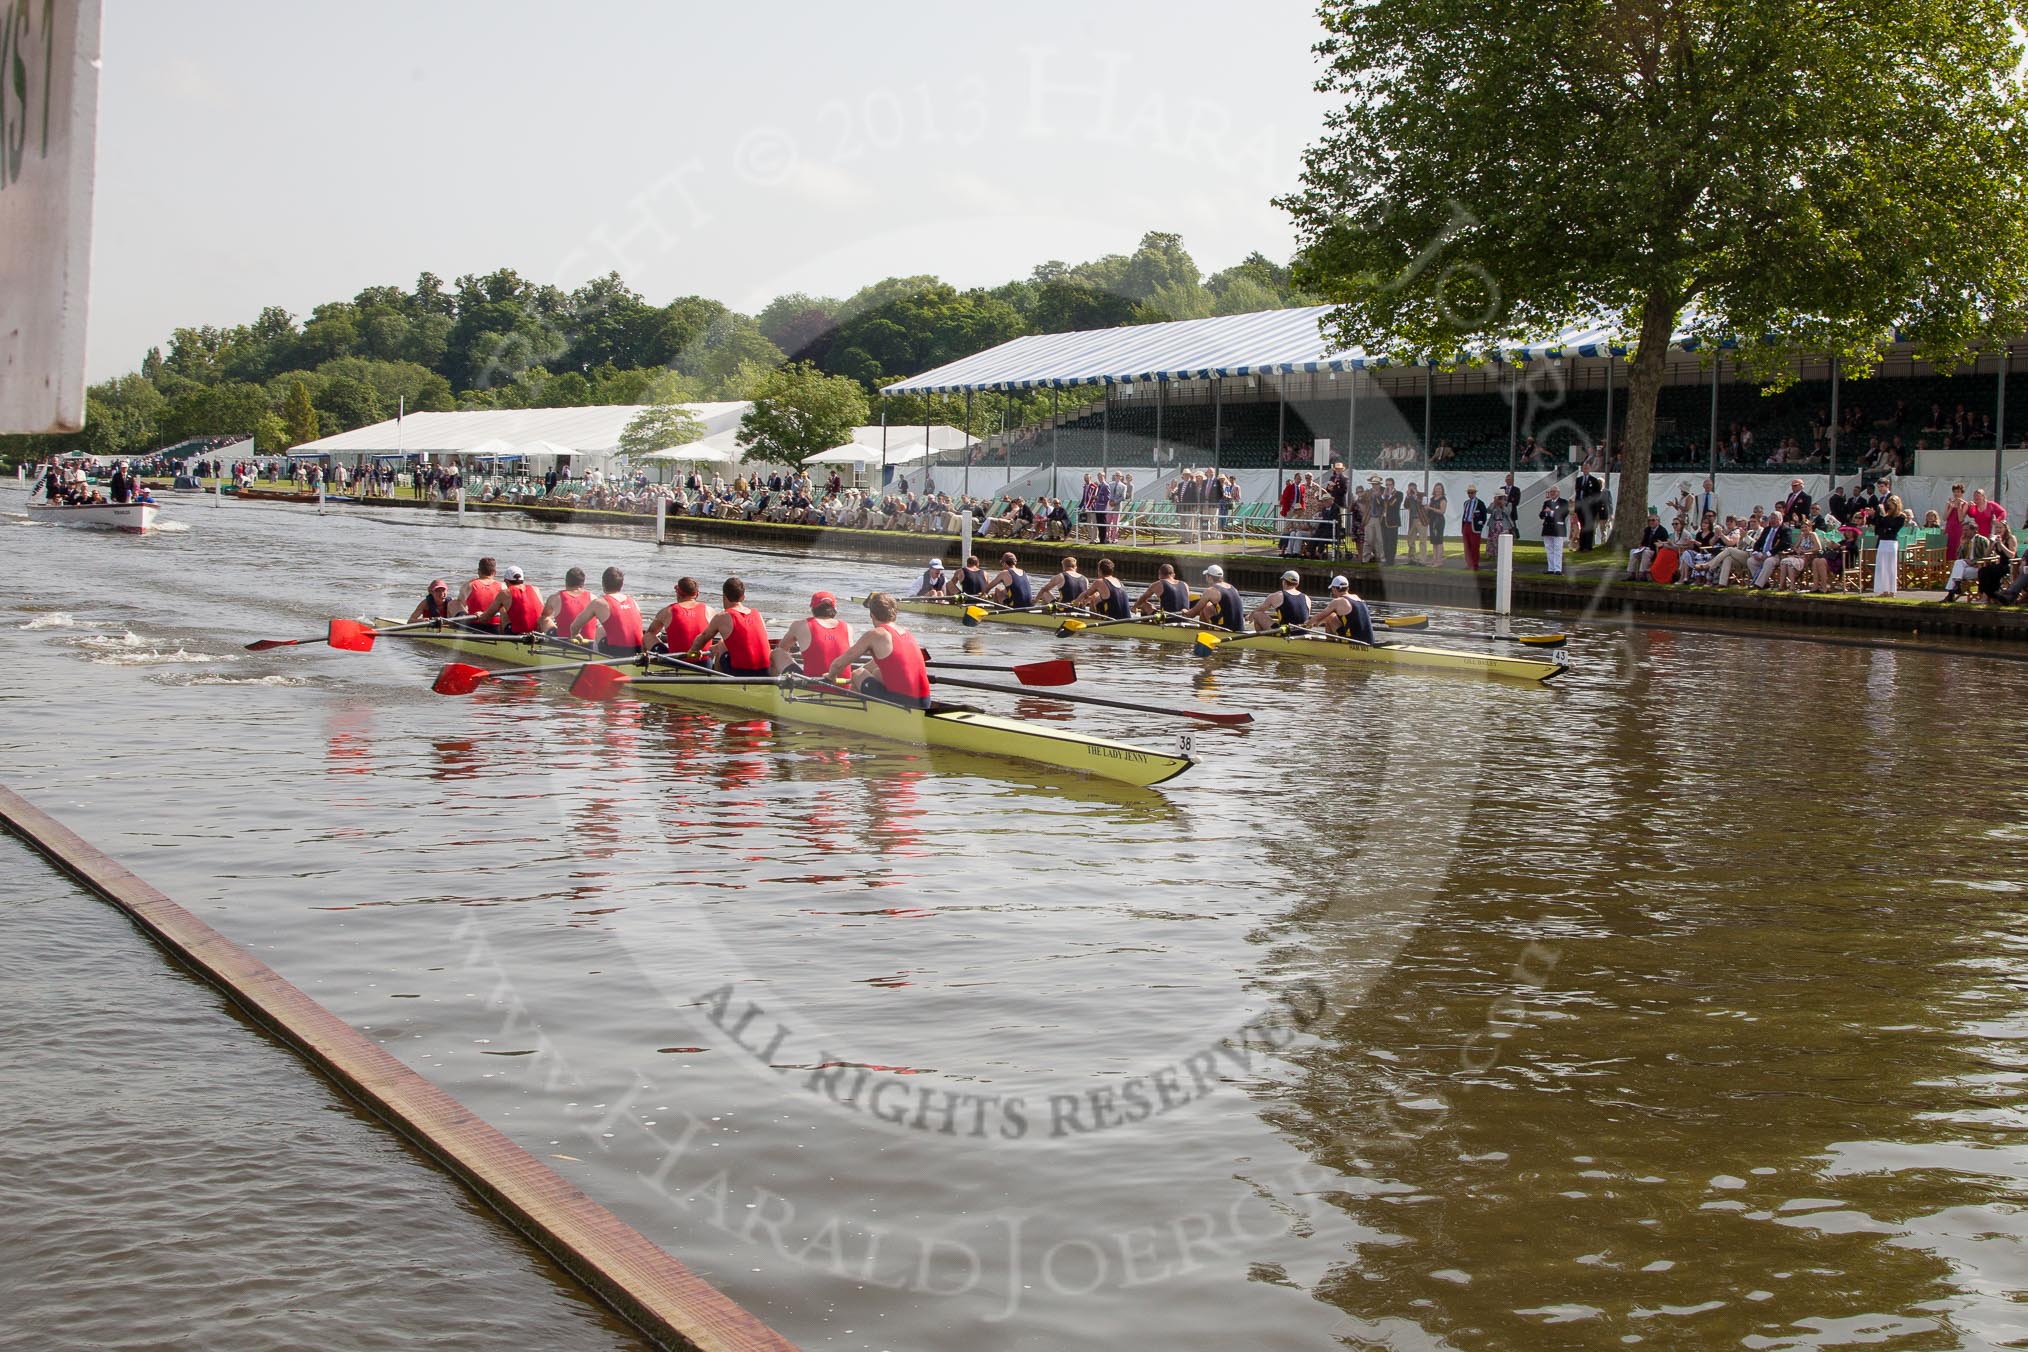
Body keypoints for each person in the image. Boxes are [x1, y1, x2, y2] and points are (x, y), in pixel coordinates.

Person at [829, 593, 933, 709]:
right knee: (877, 672)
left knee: (857, 674)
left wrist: (831, 677)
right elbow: (875, 665)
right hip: (924, 702)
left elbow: (838, 664)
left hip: (904, 702)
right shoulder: (907, 633)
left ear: (872, 615)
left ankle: (851, 713)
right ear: (894, 613)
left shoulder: (875, 634)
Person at [680, 577, 770, 676]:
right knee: (722, 643)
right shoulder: (757, 614)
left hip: (741, 673)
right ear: (743, 597)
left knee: (720, 649)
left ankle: (717, 683)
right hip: (765, 672)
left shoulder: (722, 617)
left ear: (724, 597)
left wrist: (693, 652)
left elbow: (702, 638)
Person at [567, 566, 645, 658]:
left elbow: (574, 626)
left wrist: (575, 637)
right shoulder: (633, 601)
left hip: (616, 651)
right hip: (638, 650)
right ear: (621, 584)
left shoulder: (599, 603)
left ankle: (595, 661)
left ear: (603, 584)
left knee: (599, 631)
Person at [774, 591, 854, 677]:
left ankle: (773, 683)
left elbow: (783, 648)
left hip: (812, 685)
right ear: (834, 609)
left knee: (777, 653)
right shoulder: (848, 628)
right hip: (842, 685)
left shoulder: (800, 625)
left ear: (813, 608)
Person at [642, 576, 711, 655]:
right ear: (697, 594)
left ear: (678, 593)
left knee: (647, 636)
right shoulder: (709, 610)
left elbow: (651, 632)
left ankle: (643, 660)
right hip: (703, 661)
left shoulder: (667, 611)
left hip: (676, 660)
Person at [476, 565, 544, 635]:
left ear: (506, 581)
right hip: (537, 632)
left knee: (502, 609)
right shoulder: (536, 589)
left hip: (516, 633)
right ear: (522, 580)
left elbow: (485, 619)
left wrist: (480, 615)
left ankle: (502, 640)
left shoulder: (504, 593)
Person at [1312, 576, 1376, 644]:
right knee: (1331, 616)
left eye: (1332, 589)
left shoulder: (1338, 601)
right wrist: (1319, 621)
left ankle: (1330, 646)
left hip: (1354, 642)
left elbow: (1319, 616)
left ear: (1334, 588)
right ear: (1347, 588)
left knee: (1328, 617)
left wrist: (1307, 624)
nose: (1332, 591)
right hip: (1369, 641)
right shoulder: (1356, 597)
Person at [1068, 558, 1133, 619]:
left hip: (1112, 620)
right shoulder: (1118, 581)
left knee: (1093, 598)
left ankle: (1092, 621)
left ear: (1099, 570)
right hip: (1127, 618)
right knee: (1094, 597)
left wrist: (1074, 603)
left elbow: (1086, 594)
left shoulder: (1099, 582)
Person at [1188, 564, 1246, 633]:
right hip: (1240, 627)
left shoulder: (1211, 591)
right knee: (1208, 606)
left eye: (1206, 576)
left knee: (1204, 608)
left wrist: (1185, 611)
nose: (1206, 578)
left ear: (1209, 577)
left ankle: (1202, 635)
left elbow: (1192, 614)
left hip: (1226, 629)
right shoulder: (1232, 587)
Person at [1873, 494, 1908, 597]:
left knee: (1891, 566)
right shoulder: (1886, 516)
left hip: (1891, 542)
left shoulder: (1901, 517)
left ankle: (1892, 590)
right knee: (1882, 566)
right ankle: (1884, 590)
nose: (1890, 507)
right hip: (1883, 541)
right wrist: (1881, 516)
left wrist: (1885, 522)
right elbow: (1879, 526)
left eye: (1891, 504)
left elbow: (1893, 527)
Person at [460, 558, 505, 631]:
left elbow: (462, 604)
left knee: (453, 603)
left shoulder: (469, 585)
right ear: (494, 572)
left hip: (474, 625)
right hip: (496, 627)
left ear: (478, 572)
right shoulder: (503, 586)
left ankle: (454, 629)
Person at [1627, 510, 1670, 579]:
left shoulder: (1662, 531)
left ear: (1658, 521)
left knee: (1646, 552)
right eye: (1649, 520)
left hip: (1655, 550)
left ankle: (1642, 574)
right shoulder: (1647, 529)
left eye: (1653, 520)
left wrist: (1659, 544)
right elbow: (1643, 541)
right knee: (1632, 551)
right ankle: (1631, 573)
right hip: (1645, 549)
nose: (1651, 522)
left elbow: (1665, 543)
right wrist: (1641, 546)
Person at [1540, 488, 1571, 575]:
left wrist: (1551, 512)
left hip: (1558, 528)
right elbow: (1541, 515)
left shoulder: (1563, 502)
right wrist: (1545, 512)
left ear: (1558, 493)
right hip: (1547, 528)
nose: (1552, 493)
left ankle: (1558, 569)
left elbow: (1563, 514)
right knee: (1549, 548)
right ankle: (1551, 568)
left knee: (1557, 548)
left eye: (1554, 492)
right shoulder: (1547, 503)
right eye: (1551, 492)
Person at [1459, 485, 1488, 571]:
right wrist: (1463, 526)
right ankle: (1468, 564)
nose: (1470, 494)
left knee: (1475, 546)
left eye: (1472, 492)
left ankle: (1475, 565)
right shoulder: (1466, 503)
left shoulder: (1480, 503)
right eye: (1469, 493)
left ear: (1475, 493)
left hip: (1475, 526)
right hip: (1466, 524)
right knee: (1467, 546)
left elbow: (1484, 516)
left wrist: (1481, 525)